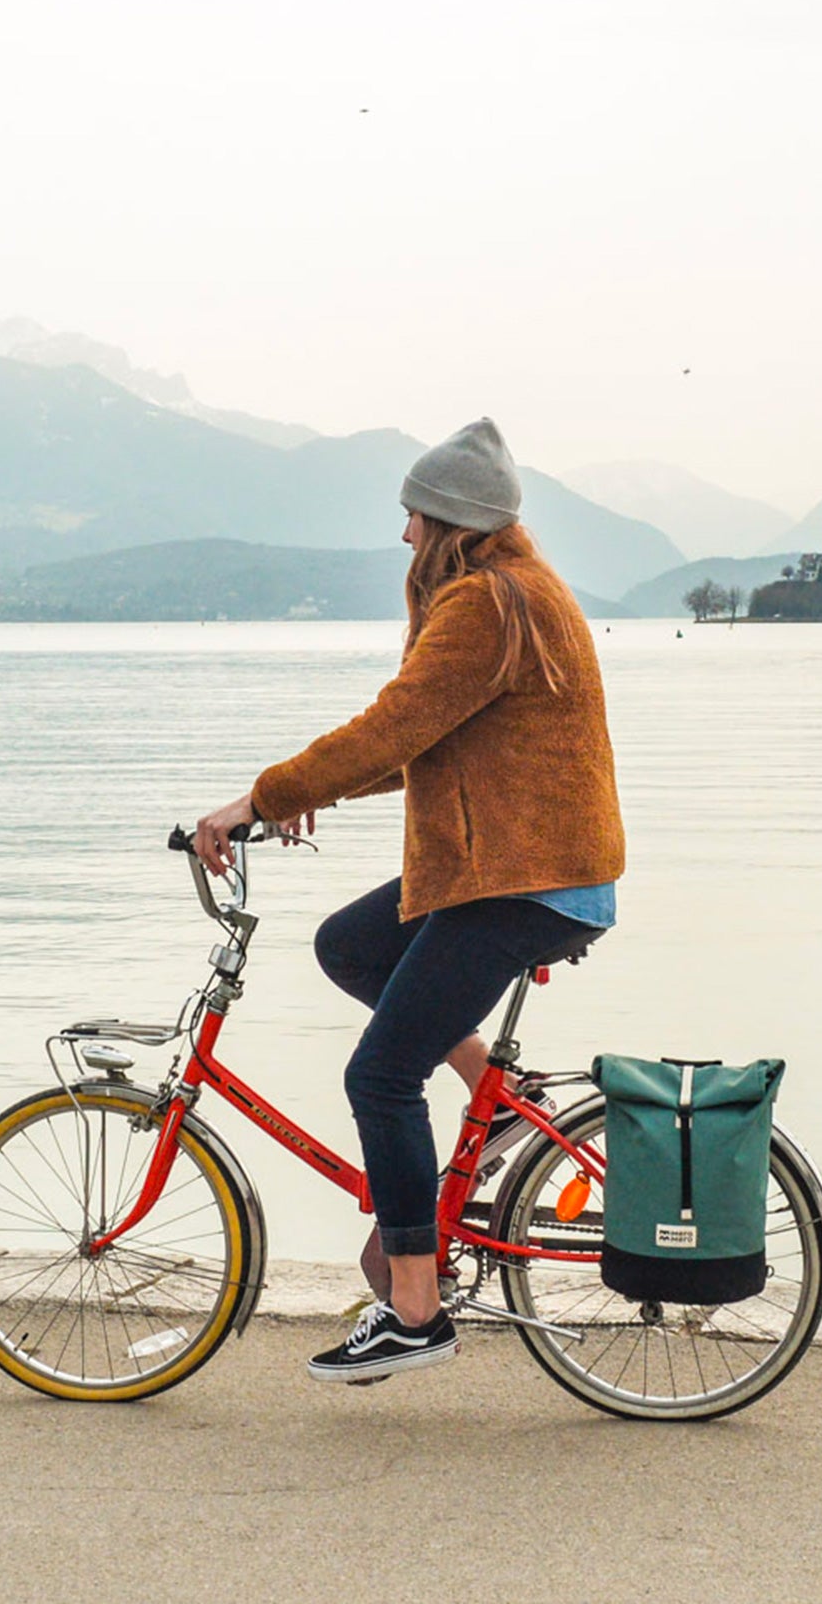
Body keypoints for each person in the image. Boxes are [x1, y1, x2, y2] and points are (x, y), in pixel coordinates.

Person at [192, 418, 625, 1382]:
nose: (403, 538)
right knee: (351, 945)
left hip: (526, 876)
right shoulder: (520, 593)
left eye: (415, 518)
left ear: (453, 526)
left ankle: (416, 1312)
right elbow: (428, 740)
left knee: (379, 1079)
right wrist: (300, 798)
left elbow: (395, 725)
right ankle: (492, 1092)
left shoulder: (485, 605)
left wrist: (264, 795)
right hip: (523, 865)